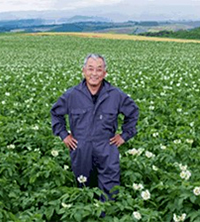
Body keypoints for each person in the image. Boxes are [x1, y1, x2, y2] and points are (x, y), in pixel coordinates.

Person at [50, 54, 139, 201]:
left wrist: (124, 135)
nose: (94, 74)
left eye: (99, 69)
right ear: (83, 71)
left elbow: (133, 112)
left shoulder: (115, 95)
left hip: (106, 147)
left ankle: (106, 216)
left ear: (105, 73)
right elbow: (55, 113)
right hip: (81, 148)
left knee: (109, 191)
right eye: (90, 69)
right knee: (84, 191)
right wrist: (64, 135)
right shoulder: (72, 95)